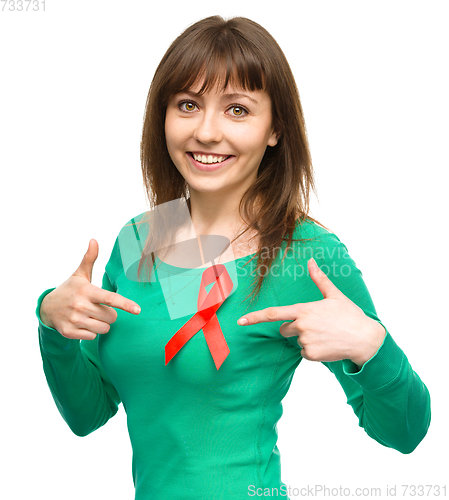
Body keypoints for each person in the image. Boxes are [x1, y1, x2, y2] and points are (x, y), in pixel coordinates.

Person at [36, 15, 431, 500]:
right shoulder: (142, 237)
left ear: (274, 129)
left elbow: (405, 432)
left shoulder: (305, 254)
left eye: (237, 110)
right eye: (187, 105)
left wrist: (373, 346)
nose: (206, 131)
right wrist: (51, 323)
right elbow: (88, 413)